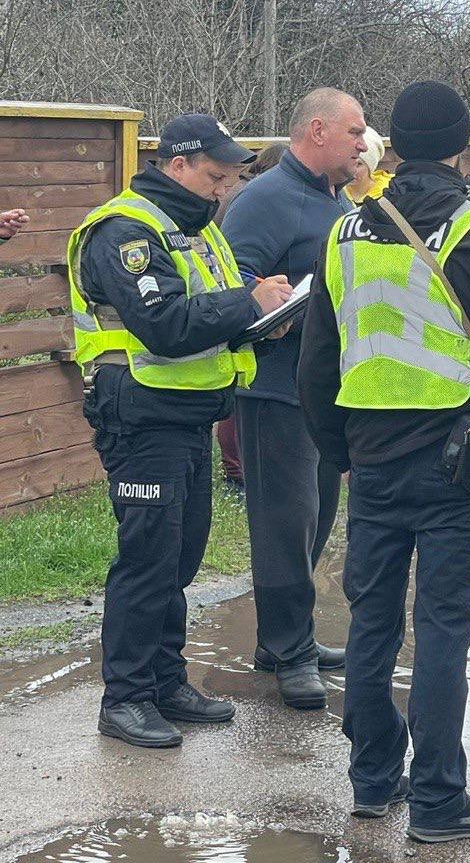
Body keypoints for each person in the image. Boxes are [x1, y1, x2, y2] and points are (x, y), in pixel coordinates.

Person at [298, 81, 470, 843]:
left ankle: (372, 781)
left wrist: (340, 454)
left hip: (373, 463)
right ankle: (440, 803)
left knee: (374, 625)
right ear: (461, 143)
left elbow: (317, 366)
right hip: (459, 467)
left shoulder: (343, 233)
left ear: (392, 142)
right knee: (443, 630)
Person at [65, 114, 294, 748]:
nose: (225, 191)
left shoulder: (192, 231)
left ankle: (165, 679)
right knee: (147, 558)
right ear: (178, 166)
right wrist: (247, 304)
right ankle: (126, 696)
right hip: (138, 416)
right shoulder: (125, 231)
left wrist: (262, 312)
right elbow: (163, 324)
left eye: (230, 180)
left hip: (186, 413)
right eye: (216, 177)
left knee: (181, 555)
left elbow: (211, 310)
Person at [221, 88, 367, 709]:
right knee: (285, 524)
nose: (364, 143)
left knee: (317, 518)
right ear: (317, 131)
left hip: (326, 391)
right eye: (355, 131)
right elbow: (231, 281)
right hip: (274, 389)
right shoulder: (263, 199)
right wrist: (264, 296)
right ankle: (289, 653)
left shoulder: (335, 201)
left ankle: (284, 637)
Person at [213, 143, 286, 492]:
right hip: (244, 305)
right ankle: (235, 473)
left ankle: (234, 471)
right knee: (237, 397)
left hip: (233, 306)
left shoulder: (238, 194)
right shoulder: (252, 199)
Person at [345, 126, 393, 203]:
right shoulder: (336, 192)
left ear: (370, 167)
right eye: (347, 161)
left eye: (359, 164)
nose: (350, 169)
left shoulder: (388, 193)